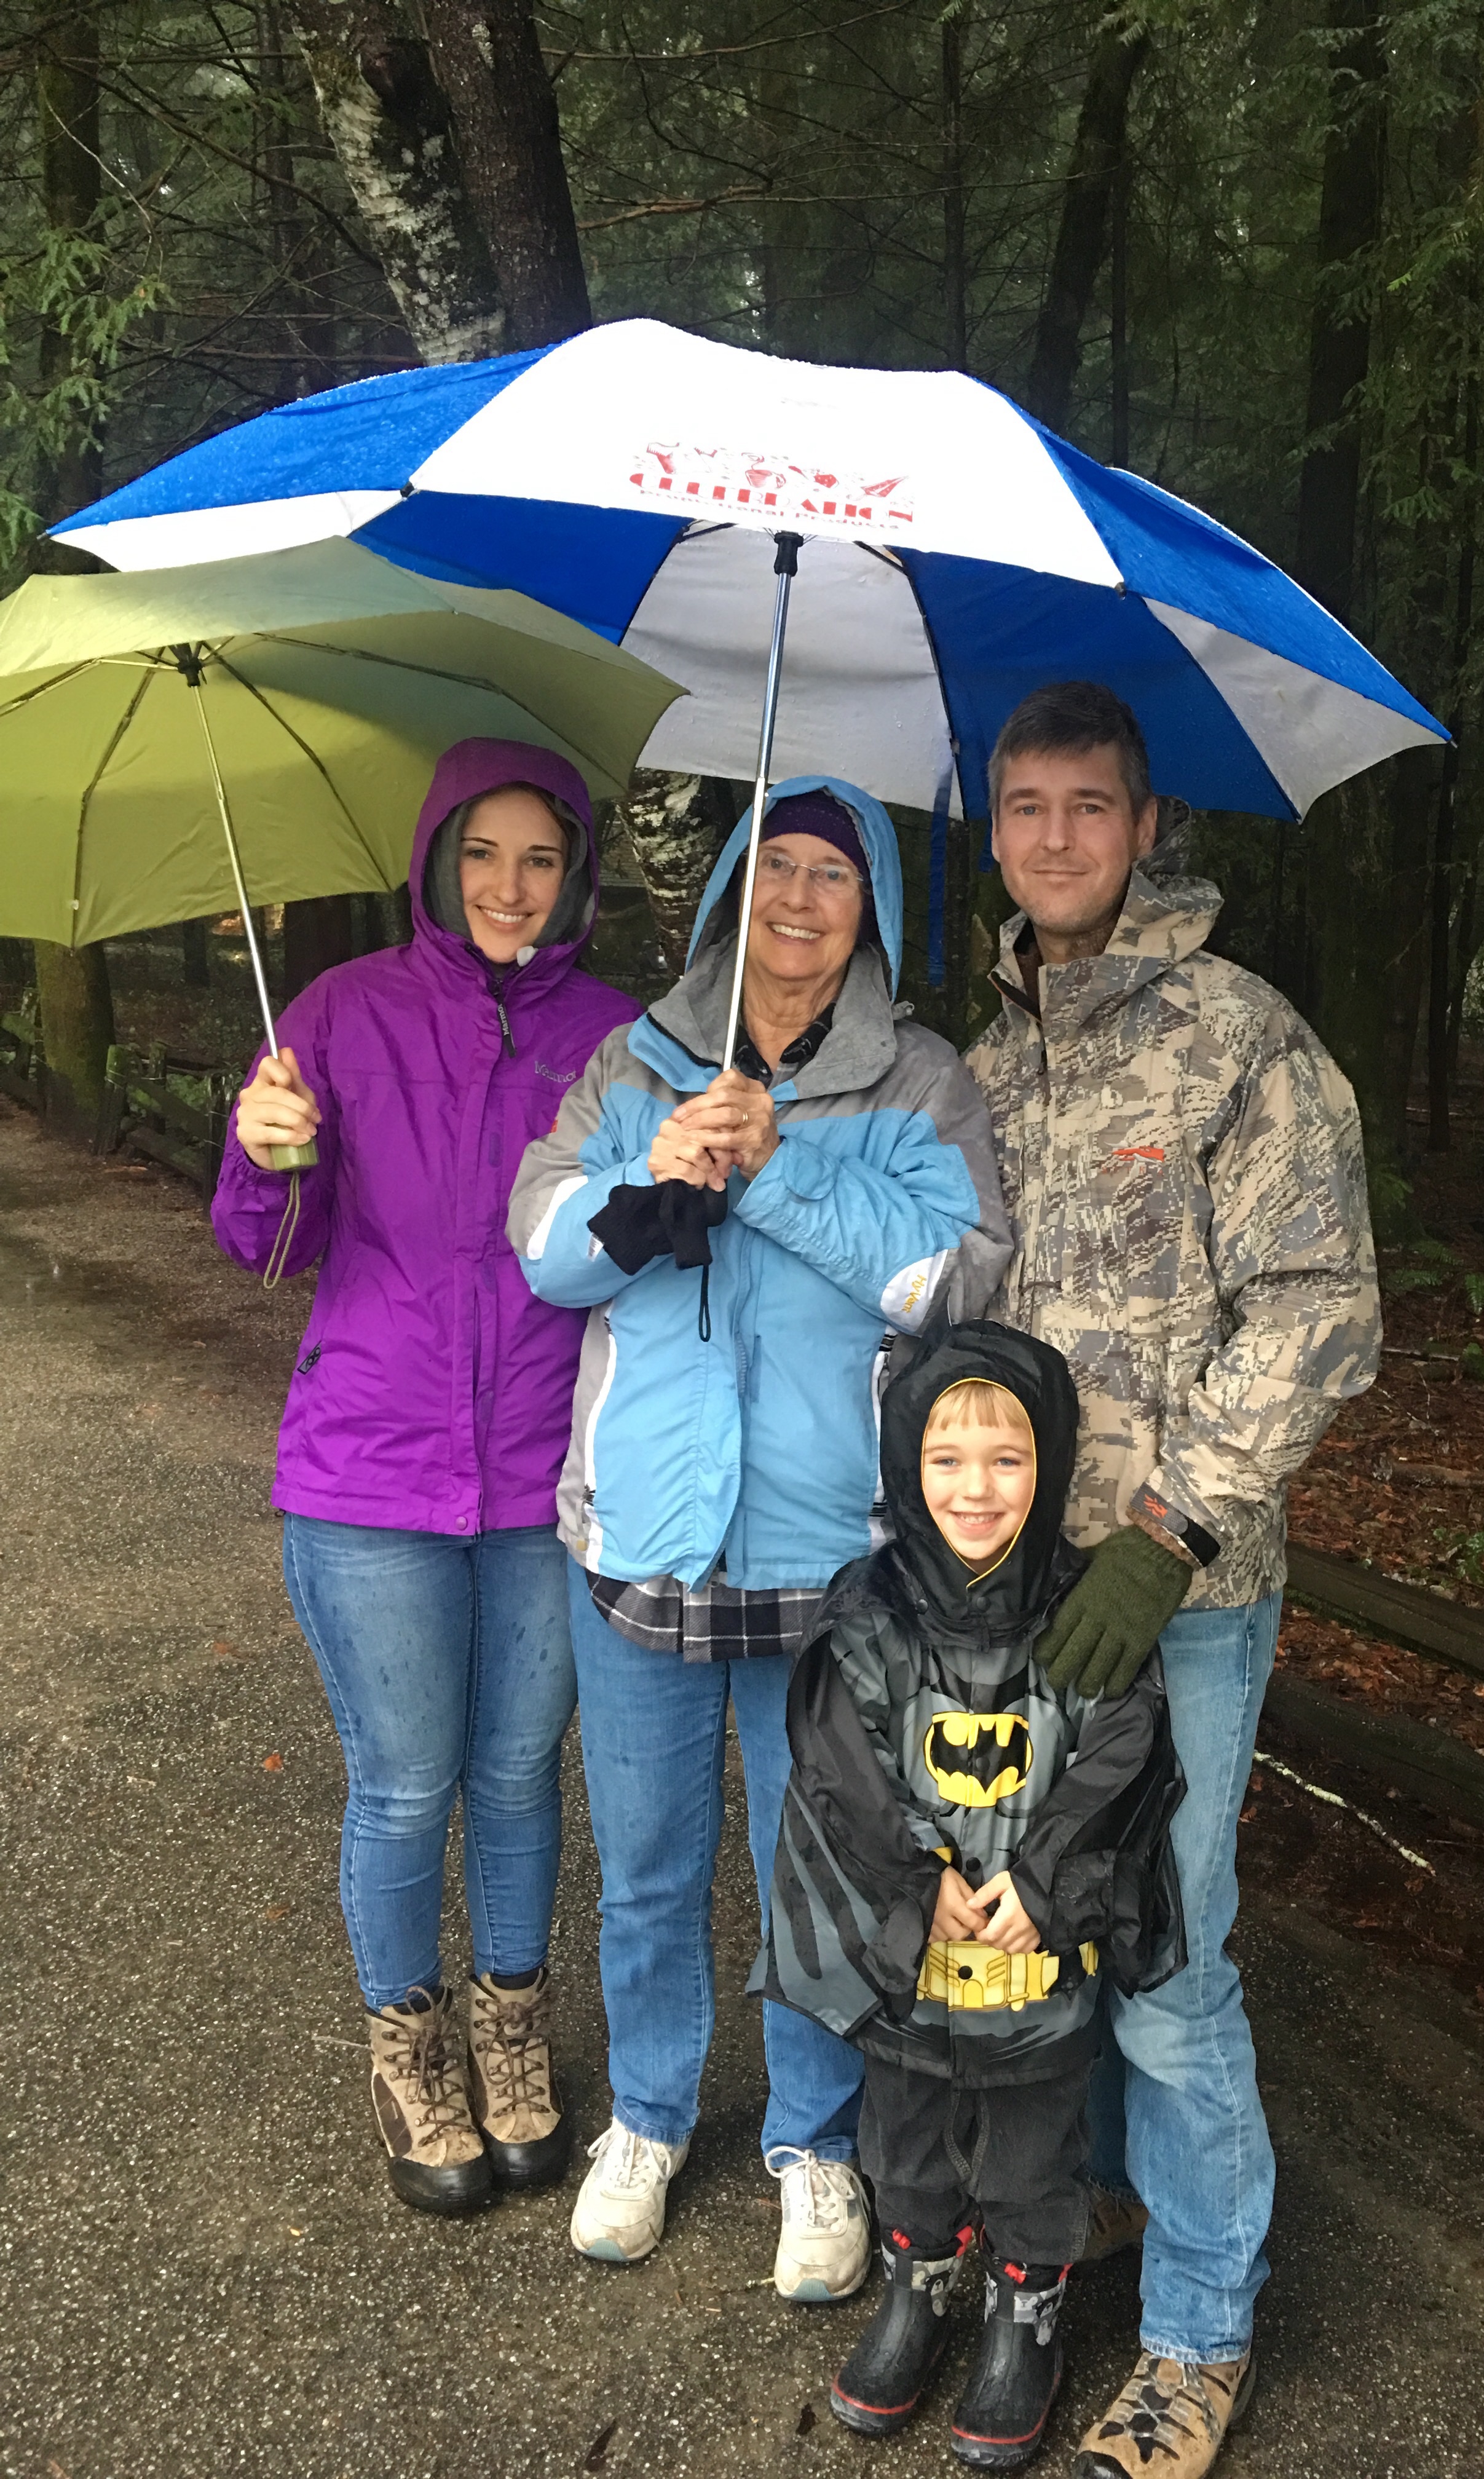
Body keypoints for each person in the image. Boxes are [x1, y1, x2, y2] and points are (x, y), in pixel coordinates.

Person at [507, 778, 1012, 2302]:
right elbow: (545, 1255)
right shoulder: (635, 1061)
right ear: (734, 888)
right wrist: (656, 1170)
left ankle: (816, 2143)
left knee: (828, 1867)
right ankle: (650, 2117)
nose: (799, 899)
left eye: (832, 877)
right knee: (648, 1867)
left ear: (876, 913)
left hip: (830, 1553)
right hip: (644, 1542)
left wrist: (781, 1171)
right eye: (774, 866)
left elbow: (952, 1283)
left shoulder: (922, 1083)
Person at [963, 684, 1381, 2478]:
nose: (1056, 836)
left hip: (1181, 1598)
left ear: (1147, 828)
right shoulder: (984, 1067)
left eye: (1090, 805)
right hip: (1009, 1590)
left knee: (1162, 1950)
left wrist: (1171, 1528)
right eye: (1026, 806)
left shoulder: (1241, 1040)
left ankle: (1203, 2330)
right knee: (1034, 1923)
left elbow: (1322, 1311)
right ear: (993, 830)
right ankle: (1090, 2217)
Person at [212, 737, 637, 2218]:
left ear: (575, 873)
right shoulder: (339, 1014)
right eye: (483, 854)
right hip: (369, 1473)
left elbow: (643, 1254)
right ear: (438, 862)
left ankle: (512, 2033)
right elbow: (266, 1246)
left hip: (543, 1476)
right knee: (404, 1784)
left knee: (517, 1776)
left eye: (540, 857)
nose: (510, 885)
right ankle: (409, 2050)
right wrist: (266, 1153)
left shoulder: (618, 1036)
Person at [754, 1322, 1186, 2472]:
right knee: (904, 2139)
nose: (976, 1488)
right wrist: (914, 1874)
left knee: (1035, 2152)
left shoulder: (1087, 1611)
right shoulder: (870, 1610)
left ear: (1051, 1465)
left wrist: (1045, 1881)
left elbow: (1123, 1753)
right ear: (907, 1466)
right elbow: (839, 1760)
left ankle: (1025, 2315)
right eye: (946, 1459)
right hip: (916, 1952)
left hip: (1037, 1957)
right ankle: (918, 2288)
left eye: (1007, 1458)